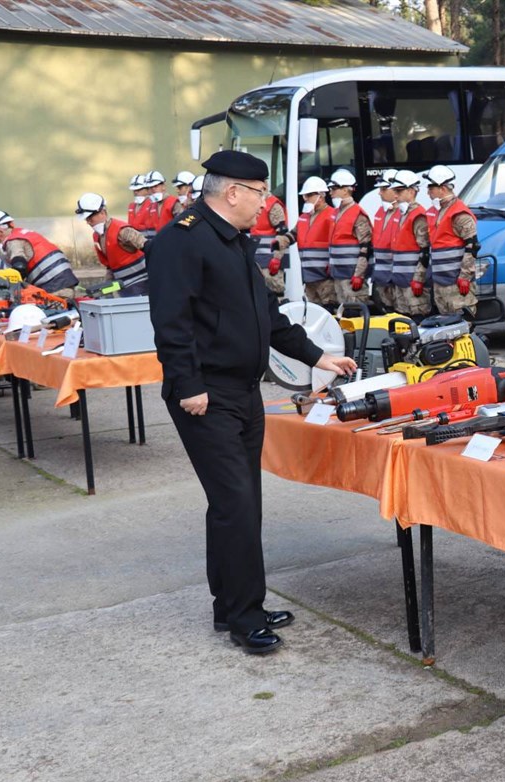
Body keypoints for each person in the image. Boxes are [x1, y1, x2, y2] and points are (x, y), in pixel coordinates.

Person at [147, 150, 357, 655]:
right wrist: (188, 384)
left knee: (241, 504)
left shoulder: (235, 241)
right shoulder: (181, 241)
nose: (267, 203)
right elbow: (170, 323)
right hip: (206, 395)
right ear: (233, 192)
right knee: (234, 503)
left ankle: (236, 604)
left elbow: (267, 312)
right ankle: (244, 618)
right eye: (261, 193)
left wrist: (317, 357)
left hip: (243, 389)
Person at [421, 165, 479, 318]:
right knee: (446, 329)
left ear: (442, 188)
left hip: (456, 283)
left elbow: (472, 246)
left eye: (431, 188)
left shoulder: (459, 213)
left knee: (463, 327)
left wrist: (465, 277)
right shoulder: (435, 211)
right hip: (440, 282)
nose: (428, 192)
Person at [0, 211, 79, 301]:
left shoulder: (13, 242)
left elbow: (19, 267)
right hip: (64, 284)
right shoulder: (23, 234)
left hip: (54, 288)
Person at [74, 192, 149, 296]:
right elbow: (110, 266)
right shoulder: (97, 236)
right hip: (124, 287)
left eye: (90, 217)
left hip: (143, 285)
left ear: (102, 212)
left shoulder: (122, 231)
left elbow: (150, 248)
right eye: (87, 219)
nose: (89, 222)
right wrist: (103, 289)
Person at [282, 176, 335, 307]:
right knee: (313, 310)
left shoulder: (332, 215)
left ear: (321, 196)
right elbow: (293, 235)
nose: (305, 199)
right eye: (304, 195)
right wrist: (280, 241)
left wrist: (332, 264)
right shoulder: (304, 217)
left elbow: (337, 243)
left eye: (309, 195)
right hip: (308, 276)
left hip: (325, 278)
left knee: (329, 309)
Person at [390, 170, 434, 319]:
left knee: (417, 319)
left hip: (413, 282)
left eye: (399, 191)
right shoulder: (403, 214)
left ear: (410, 191)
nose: (395, 195)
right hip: (401, 281)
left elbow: (425, 251)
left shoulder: (418, 215)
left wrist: (418, 279)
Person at [327, 168, 373, 306]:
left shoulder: (357, 214)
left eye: (334, 188)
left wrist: (359, 275)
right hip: (339, 275)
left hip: (352, 277)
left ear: (346, 190)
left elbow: (366, 248)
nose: (331, 192)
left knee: (355, 315)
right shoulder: (337, 213)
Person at [370, 168, 401, 313]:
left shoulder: (404, 213)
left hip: (397, 279)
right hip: (382, 277)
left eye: (383, 189)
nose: (379, 193)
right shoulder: (380, 212)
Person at [248, 189, 289, 296]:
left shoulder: (273, 205)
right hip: (256, 259)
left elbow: (282, 234)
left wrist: (277, 258)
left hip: (270, 261)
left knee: (274, 293)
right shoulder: (251, 204)